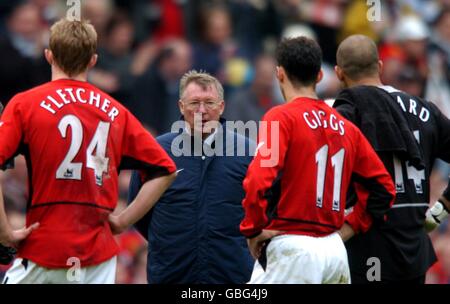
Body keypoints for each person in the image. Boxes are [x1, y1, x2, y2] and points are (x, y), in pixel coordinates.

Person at [0, 18, 177, 284]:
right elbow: (165, 170)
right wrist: (122, 221)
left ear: (49, 56)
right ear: (93, 61)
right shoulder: (116, 111)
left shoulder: (25, 104)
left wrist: (4, 232)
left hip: (44, 247)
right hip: (98, 253)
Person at [240, 36, 396, 284]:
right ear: (320, 76)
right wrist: (350, 227)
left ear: (279, 74)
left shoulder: (278, 117)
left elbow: (258, 180)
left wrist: (254, 228)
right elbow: (385, 188)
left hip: (293, 248)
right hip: (335, 253)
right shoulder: (346, 127)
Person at [333, 34, 450, 283]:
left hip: (365, 254)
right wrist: (441, 209)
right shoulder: (425, 110)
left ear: (339, 73)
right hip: (414, 254)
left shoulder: (342, 117)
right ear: (380, 66)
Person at [128, 70, 254, 284]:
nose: (202, 111)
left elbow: (262, 211)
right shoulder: (156, 152)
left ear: (222, 107)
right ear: (181, 106)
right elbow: (137, 211)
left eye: (210, 103)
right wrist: (172, 243)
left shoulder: (247, 152)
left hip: (232, 276)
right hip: (172, 273)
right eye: (194, 103)